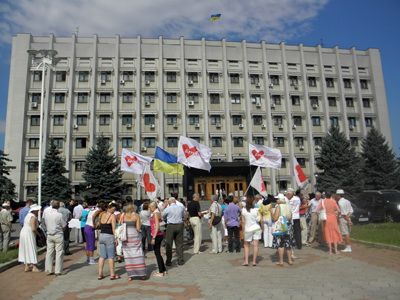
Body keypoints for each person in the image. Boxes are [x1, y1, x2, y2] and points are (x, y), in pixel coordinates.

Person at [121, 204, 146, 280]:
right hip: (134, 236)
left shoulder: (123, 215)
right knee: (138, 254)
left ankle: (130, 275)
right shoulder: (136, 216)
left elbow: (120, 225)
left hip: (125, 237)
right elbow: (138, 228)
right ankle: (142, 274)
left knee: (128, 256)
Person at [43, 200, 66, 276]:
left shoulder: (46, 214)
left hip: (49, 235)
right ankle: (58, 270)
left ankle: (48, 269)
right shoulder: (59, 215)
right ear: (58, 206)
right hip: (58, 234)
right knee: (59, 252)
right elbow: (64, 225)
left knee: (49, 252)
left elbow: (45, 223)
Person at [98, 202, 120, 280]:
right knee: (111, 256)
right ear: (109, 208)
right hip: (109, 236)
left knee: (102, 256)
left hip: (101, 236)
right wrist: (116, 238)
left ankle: (100, 274)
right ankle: (112, 274)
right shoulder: (112, 216)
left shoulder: (102, 214)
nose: (114, 210)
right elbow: (114, 228)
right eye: (113, 209)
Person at [272, 193, 294, 266]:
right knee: (288, 244)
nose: (276, 200)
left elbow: (275, 218)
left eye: (277, 199)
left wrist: (272, 214)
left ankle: (281, 261)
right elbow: (290, 217)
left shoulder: (278, 207)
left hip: (281, 227)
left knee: (280, 244)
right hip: (288, 226)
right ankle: (290, 260)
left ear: (279, 199)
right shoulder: (288, 206)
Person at [18, 204, 41, 272]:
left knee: (25, 248)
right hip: (29, 233)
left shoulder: (27, 215)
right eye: (37, 210)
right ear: (34, 210)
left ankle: (27, 266)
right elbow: (33, 228)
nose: (38, 211)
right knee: (31, 248)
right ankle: (34, 266)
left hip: (23, 232)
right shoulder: (33, 217)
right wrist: (39, 234)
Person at [162, 197, 185, 266]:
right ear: (175, 201)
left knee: (169, 244)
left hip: (171, 226)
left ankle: (169, 261)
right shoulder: (181, 208)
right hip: (180, 225)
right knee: (179, 244)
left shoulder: (167, 209)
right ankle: (180, 260)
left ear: (169, 202)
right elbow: (183, 216)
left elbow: (163, 217)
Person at [241, 197, 261, 266]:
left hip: (247, 229)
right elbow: (259, 220)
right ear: (253, 202)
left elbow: (243, 222)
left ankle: (246, 261)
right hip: (256, 228)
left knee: (246, 245)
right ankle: (254, 261)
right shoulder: (256, 210)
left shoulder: (243, 210)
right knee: (256, 245)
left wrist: (243, 232)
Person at [149, 201, 167, 277]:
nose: (149, 208)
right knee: (158, 253)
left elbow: (157, 226)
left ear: (154, 207)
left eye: (150, 207)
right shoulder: (157, 213)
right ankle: (163, 270)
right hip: (159, 234)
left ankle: (161, 272)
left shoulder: (156, 214)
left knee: (157, 253)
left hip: (157, 235)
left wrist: (153, 237)